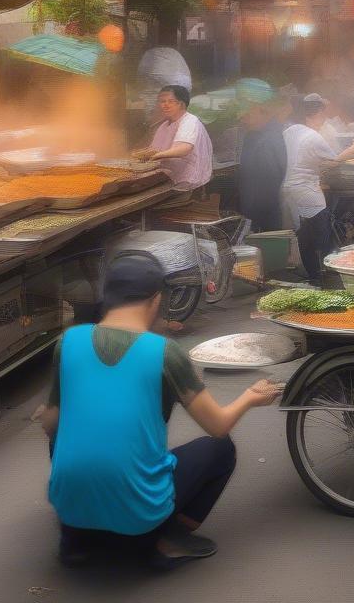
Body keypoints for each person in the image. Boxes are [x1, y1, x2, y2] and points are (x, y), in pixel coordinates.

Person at [42, 256, 282, 569]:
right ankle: (165, 537)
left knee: (62, 436)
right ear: (155, 300)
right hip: (138, 520)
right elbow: (218, 426)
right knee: (220, 449)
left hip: (71, 516)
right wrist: (250, 397)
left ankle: (76, 543)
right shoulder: (164, 352)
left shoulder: (68, 341)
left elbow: (50, 421)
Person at [281, 94, 354, 283]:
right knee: (322, 234)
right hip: (307, 191)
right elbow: (333, 161)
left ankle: (314, 276)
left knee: (304, 234)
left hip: (289, 189)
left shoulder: (290, 130)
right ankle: (329, 277)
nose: (324, 120)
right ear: (312, 115)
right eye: (322, 115)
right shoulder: (313, 136)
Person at [142, 85, 213, 192]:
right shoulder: (164, 125)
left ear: (182, 104)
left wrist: (157, 155)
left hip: (188, 180)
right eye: (162, 101)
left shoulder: (190, 121)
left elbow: (185, 148)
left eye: (171, 101)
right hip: (170, 177)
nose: (165, 105)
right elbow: (154, 149)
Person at [238, 101, 287, 233]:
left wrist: (254, 207)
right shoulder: (252, 135)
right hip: (254, 203)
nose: (242, 118)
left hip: (265, 205)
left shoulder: (272, 137)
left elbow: (272, 175)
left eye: (248, 114)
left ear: (261, 112)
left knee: (269, 240)